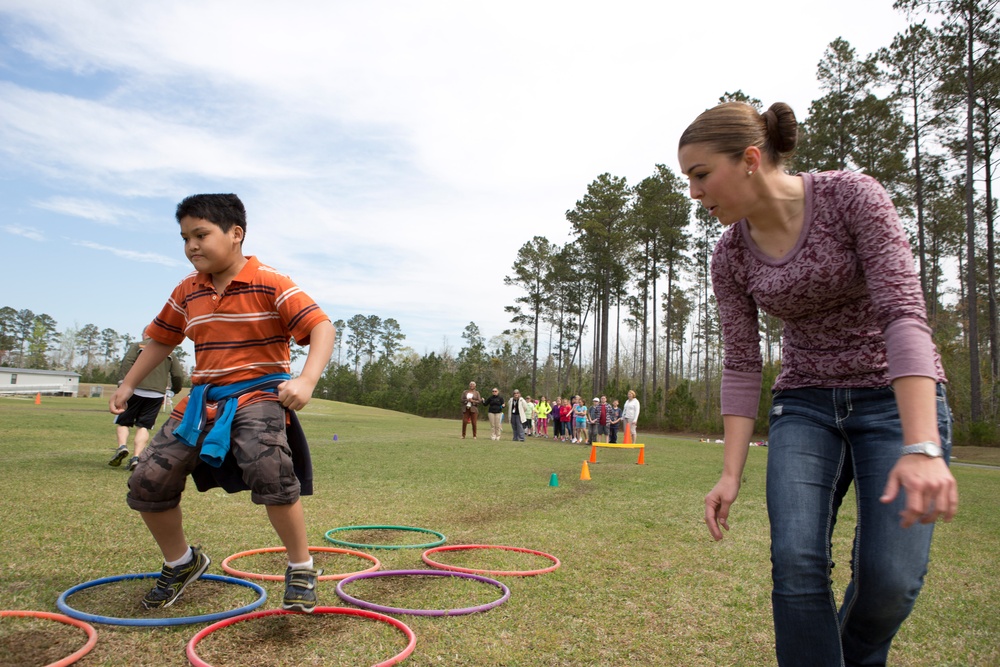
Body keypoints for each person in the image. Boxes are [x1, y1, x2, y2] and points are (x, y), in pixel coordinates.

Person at [680, 101, 958, 666]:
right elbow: (741, 361)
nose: (693, 193)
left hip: (893, 399)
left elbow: (903, 314)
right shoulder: (730, 254)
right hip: (805, 404)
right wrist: (729, 474)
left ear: (751, 160)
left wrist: (923, 444)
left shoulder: (852, 197)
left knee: (890, 581)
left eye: (701, 174)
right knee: (797, 561)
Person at [109, 194, 336, 614]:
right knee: (147, 480)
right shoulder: (187, 290)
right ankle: (182, 563)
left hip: (259, 394)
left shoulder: (270, 281)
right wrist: (128, 383)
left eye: (201, 234)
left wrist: (306, 379)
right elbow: (162, 338)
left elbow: (321, 326)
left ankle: (301, 566)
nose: (191, 246)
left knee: (269, 469)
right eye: (184, 238)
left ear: (236, 234)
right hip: (202, 400)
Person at [109, 335, 184, 471]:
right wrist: (175, 389)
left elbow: (127, 363)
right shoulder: (169, 352)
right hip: (156, 394)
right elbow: (178, 374)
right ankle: (136, 457)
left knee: (123, 421)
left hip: (135, 390)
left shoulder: (138, 346)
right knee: (143, 426)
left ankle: (122, 447)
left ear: (145, 334)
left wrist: (123, 384)